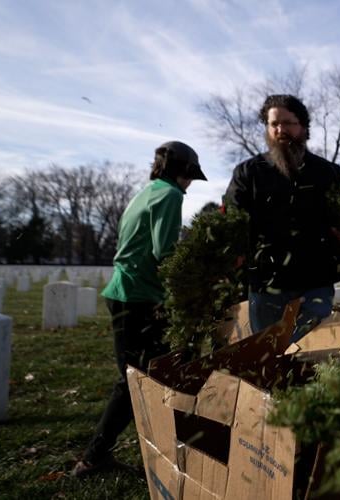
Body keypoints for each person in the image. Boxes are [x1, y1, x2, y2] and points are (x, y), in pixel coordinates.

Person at [73, 141, 207, 477]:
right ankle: (93, 459)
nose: (190, 186)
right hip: (139, 297)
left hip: (127, 292)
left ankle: (169, 444)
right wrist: (200, 272)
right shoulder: (171, 195)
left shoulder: (146, 192)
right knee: (134, 379)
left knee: (155, 371)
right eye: (190, 178)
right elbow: (166, 251)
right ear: (184, 173)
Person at [224, 94, 340, 341]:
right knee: (268, 359)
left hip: (315, 285)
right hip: (265, 287)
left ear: (302, 126)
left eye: (288, 123)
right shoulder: (249, 173)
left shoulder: (327, 173)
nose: (280, 130)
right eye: (273, 124)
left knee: (311, 359)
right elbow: (230, 221)